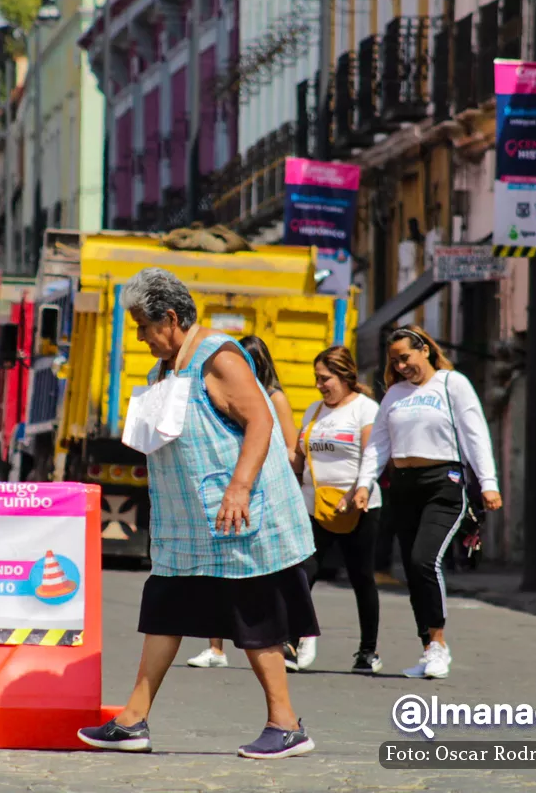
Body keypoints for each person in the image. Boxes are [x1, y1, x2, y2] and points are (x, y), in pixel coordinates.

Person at [77, 268, 318, 759]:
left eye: (144, 326)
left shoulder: (220, 357)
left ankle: (286, 725)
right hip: (189, 527)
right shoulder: (164, 370)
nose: (140, 337)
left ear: (170, 317)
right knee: (164, 610)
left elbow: (260, 422)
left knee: (256, 617)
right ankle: (132, 721)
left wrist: (240, 488)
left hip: (237, 518)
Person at [350, 325, 502, 680]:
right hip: (403, 486)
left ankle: (438, 644)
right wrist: (363, 483)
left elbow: (475, 434)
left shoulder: (453, 384)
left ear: (425, 351)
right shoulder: (394, 395)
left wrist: (489, 483)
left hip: (443, 482)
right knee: (412, 567)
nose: (401, 366)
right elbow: (379, 444)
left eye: (406, 358)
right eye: (394, 361)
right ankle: (427, 647)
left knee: (424, 560)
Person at [187, 334, 300, 670]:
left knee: (265, 576)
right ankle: (215, 647)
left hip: (263, 490)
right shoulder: (225, 395)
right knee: (217, 568)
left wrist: (285, 493)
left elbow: (291, 448)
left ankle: (283, 644)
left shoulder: (273, 398)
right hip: (232, 487)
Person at [287, 345, 383, 674]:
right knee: (303, 572)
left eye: (325, 378)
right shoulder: (314, 411)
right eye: (316, 378)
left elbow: (373, 455)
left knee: (361, 577)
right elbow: (299, 459)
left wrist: (359, 489)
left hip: (357, 505)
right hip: (313, 506)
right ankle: (295, 640)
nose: (319, 385)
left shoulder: (365, 409)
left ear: (344, 376)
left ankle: (367, 651)